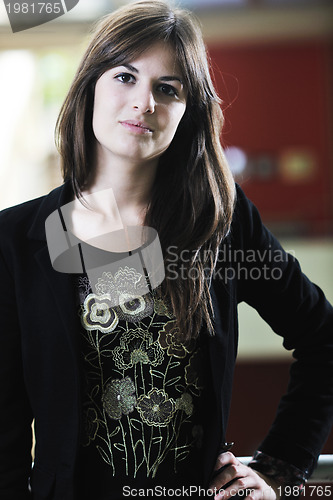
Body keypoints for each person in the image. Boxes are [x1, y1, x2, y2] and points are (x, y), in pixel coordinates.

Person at [0, 1, 332, 499]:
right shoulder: (16, 238)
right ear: (89, 84)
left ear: (188, 111)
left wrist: (281, 468)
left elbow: (323, 340)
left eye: (167, 88)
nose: (144, 102)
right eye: (125, 76)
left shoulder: (222, 224)